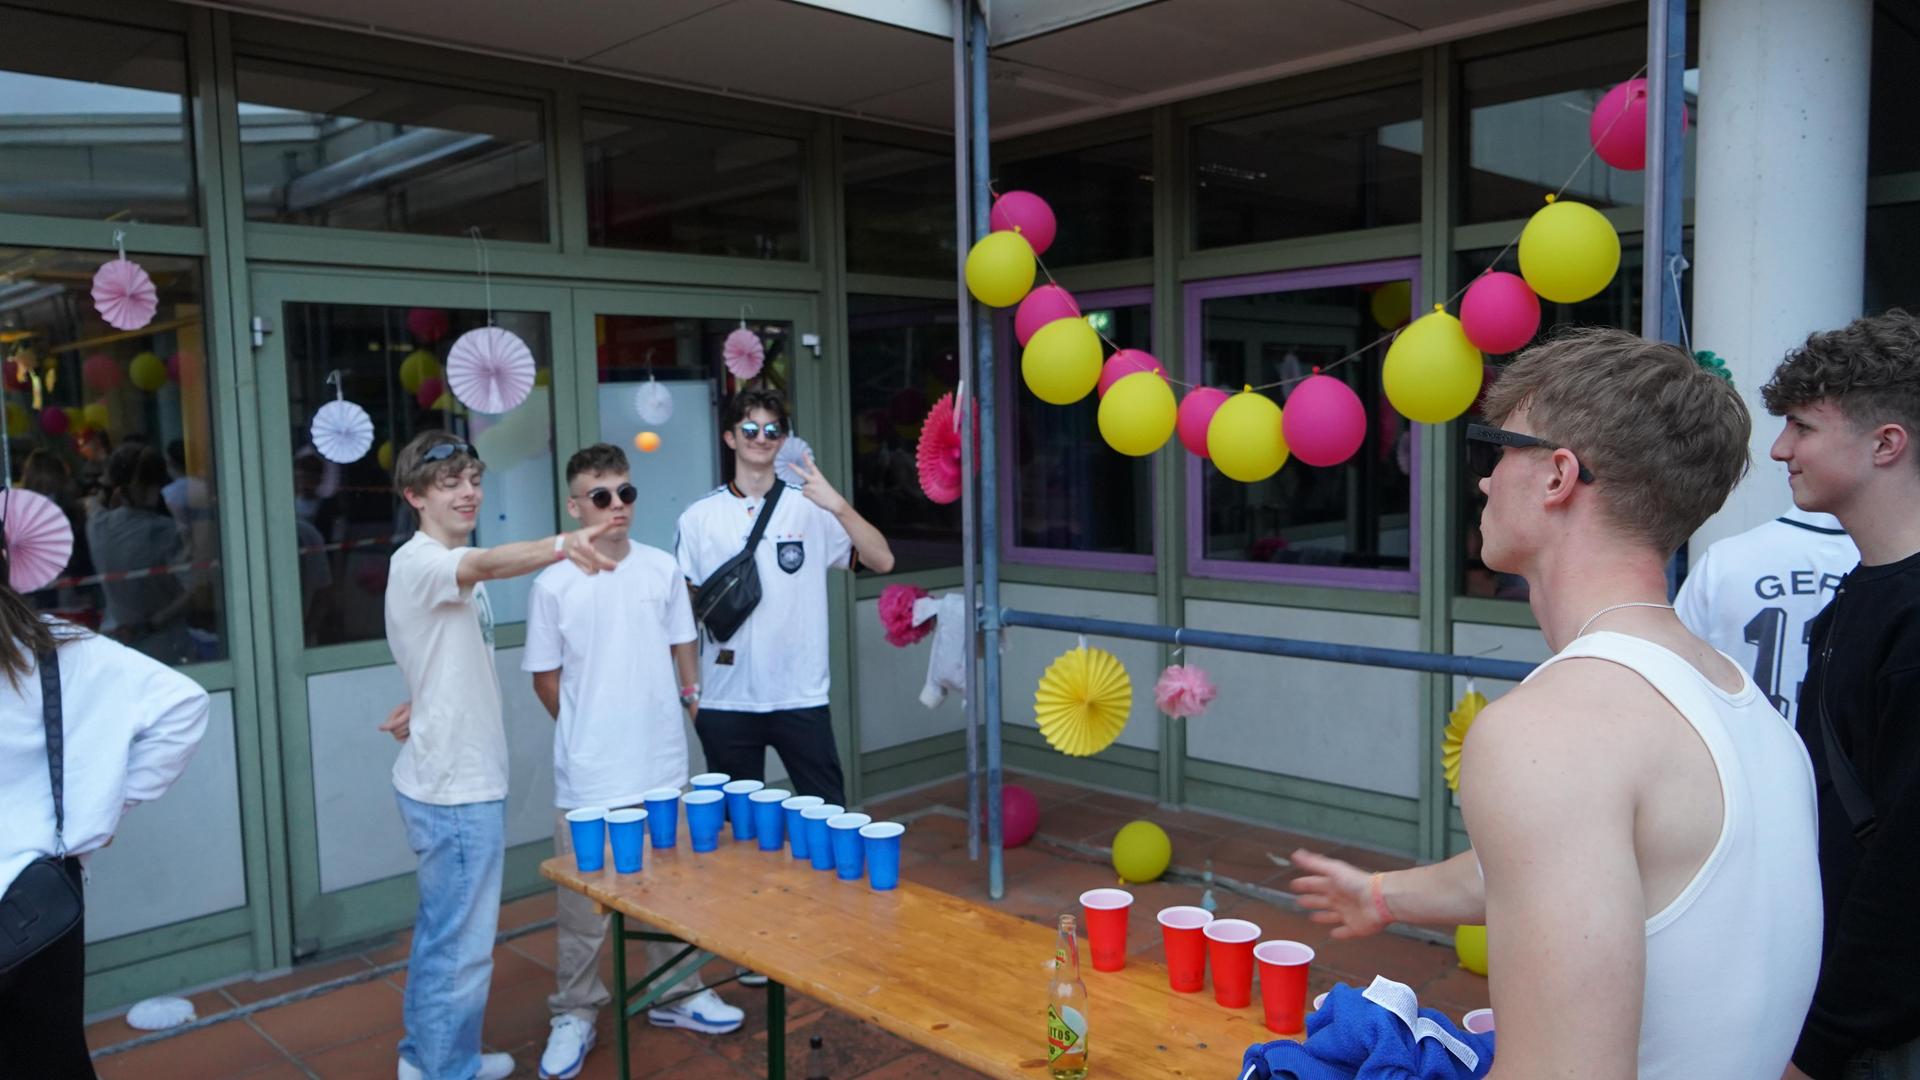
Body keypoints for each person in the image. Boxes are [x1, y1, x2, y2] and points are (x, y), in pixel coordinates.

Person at [1290, 328, 1822, 1079]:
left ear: (1556, 476)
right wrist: (1381, 896)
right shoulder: (1745, 710)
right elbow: (1582, 866)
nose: (1482, 480)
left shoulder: (1551, 731)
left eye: (1496, 447)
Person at [380, 431, 617, 1080]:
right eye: (449, 483)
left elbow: (435, 651)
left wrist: (419, 701)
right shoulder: (426, 561)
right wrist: (563, 545)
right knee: (458, 949)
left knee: (448, 941)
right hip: (453, 789)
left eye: (472, 480)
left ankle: (432, 1057)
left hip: (456, 775)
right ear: (415, 496)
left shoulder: (439, 560)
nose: (467, 493)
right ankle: (441, 1069)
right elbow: (485, 566)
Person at [525, 445, 744, 1080]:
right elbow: (545, 681)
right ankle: (575, 1012)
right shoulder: (553, 582)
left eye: (626, 493)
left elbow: (684, 651)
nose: (617, 506)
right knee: (582, 909)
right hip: (591, 773)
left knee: (674, 890)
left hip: (661, 763)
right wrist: (586, 734)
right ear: (574, 506)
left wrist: (691, 708)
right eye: (601, 496)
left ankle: (679, 993)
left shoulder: (660, 568)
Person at [1762, 311, 1920, 1080]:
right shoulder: (1856, 594)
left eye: (1802, 426)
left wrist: (1819, 1046)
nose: (1779, 449)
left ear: (1886, 443)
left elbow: (1906, 869)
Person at [0, 562, 209, 1077]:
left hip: (33, 898)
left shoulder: (54, 645)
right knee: (48, 1055)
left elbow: (183, 706)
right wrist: (102, 811)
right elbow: (182, 705)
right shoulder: (52, 643)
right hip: (36, 890)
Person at [673, 388, 894, 807]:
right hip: (725, 698)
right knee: (737, 835)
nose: (761, 437)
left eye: (772, 429)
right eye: (750, 428)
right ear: (730, 438)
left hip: (800, 695)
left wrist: (839, 506)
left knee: (827, 818)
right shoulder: (698, 518)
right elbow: (681, 614)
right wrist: (692, 695)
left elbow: (882, 560)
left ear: (782, 438)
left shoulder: (811, 507)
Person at [1675, 505, 1857, 721]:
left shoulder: (1725, 559)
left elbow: (1674, 680)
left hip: (1743, 748)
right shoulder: (1892, 566)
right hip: (1847, 749)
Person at [86, 444, 193, 663]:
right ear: (155, 486)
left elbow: (91, 504)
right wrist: (153, 622)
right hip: (163, 646)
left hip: (112, 644)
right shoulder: (165, 531)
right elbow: (195, 592)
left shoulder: (96, 525)